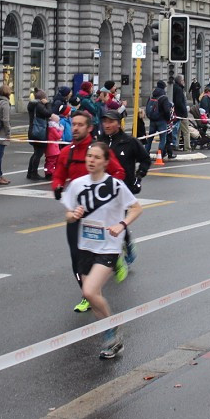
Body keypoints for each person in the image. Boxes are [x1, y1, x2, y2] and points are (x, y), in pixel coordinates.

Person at [60, 141, 143, 359]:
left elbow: (136, 208)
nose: (91, 160)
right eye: (89, 156)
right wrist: (74, 215)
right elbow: (68, 215)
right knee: (94, 294)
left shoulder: (115, 186)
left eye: (96, 157)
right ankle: (112, 339)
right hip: (85, 245)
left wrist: (122, 225)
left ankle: (112, 329)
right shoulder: (77, 185)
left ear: (106, 162)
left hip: (109, 246)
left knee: (88, 292)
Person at [52, 110, 126, 313]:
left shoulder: (99, 151)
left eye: (80, 125)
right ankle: (87, 294)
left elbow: (119, 172)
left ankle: (116, 258)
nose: (75, 128)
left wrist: (110, 191)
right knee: (77, 258)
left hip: (100, 216)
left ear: (89, 128)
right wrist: (57, 187)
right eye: (73, 124)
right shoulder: (67, 152)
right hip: (77, 216)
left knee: (101, 252)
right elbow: (58, 176)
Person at [100, 108, 149, 280]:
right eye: (104, 121)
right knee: (105, 224)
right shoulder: (99, 142)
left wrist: (139, 176)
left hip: (123, 190)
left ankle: (124, 247)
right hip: (102, 190)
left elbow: (145, 159)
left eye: (111, 121)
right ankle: (113, 252)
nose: (107, 125)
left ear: (119, 123)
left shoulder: (130, 142)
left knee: (118, 222)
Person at [26, 88, 51, 180]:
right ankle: (33, 173)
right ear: (42, 98)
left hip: (33, 131)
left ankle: (30, 172)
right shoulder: (39, 106)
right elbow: (48, 113)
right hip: (39, 132)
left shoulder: (32, 104)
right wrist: (48, 104)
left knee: (36, 152)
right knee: (38, 153)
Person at [172, 75, 192, 152]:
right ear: (180, 81)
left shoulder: (173, 88)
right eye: (183, 80)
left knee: (177, 131)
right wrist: (185, 111)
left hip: (176, 114)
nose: (184, 82)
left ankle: (175, 145)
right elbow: (179, 102)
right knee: (186, 132)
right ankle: (187, 148)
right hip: (181, 114)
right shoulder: (179, 89)